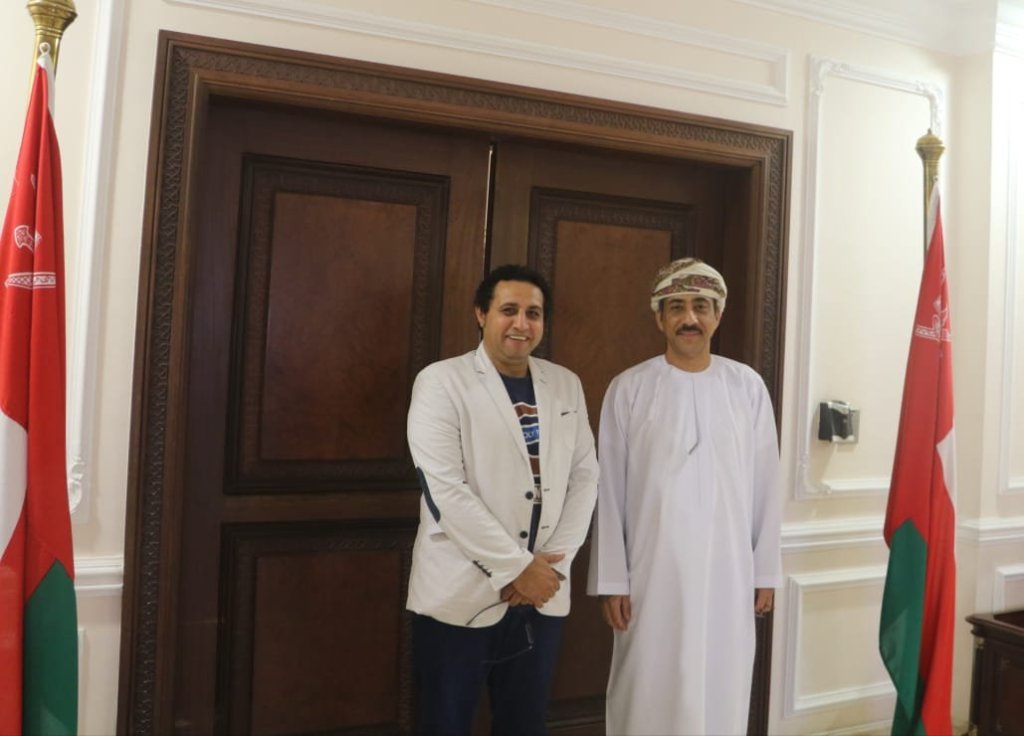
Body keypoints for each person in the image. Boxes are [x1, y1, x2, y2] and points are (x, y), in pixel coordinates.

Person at [586, 257, 783, 735]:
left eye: (701, 306)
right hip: (651, 572)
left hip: (728, 572)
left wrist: (764, 572)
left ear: (718, 315)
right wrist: (612, 580)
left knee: (722, 677)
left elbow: (767, 484)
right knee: (647, 681)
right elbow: (608, 490)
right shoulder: (629, 388)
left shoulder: (747, 387)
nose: (689, 318)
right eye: (676, 307)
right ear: (660, 318)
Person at [406, 264, 599, 735]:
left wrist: (549, 569)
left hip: (542, 595)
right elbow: (445, 490)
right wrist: (516, 568)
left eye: (533, 313)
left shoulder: (566, 383)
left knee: (524, 724)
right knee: (445, 723)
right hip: (460, 593)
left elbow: (585, 476)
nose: (521, 324)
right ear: (481, 314)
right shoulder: (441, 381)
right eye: (508, 310)